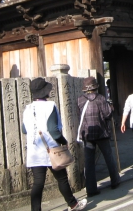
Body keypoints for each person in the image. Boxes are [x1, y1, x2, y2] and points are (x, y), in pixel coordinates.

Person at [22, 78, 87, 211]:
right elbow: (53, 130)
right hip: (52, 149)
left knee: (38, 183)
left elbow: (24, 129)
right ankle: (73, 204)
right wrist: (63, 141)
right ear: (45, 92)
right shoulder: (50, 106)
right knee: (62, 179)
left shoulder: (27, 109)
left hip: (34, 151)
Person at [77, 77, 120, 197]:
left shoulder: (80, 100)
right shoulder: (101, 98)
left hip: (87, 133)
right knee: (108, 157)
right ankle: (115, 181)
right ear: (95, 87)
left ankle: (91, 189)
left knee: (89, 162)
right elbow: (107, 115)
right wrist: (111, 108)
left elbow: (79, 115)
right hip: (101, 132)